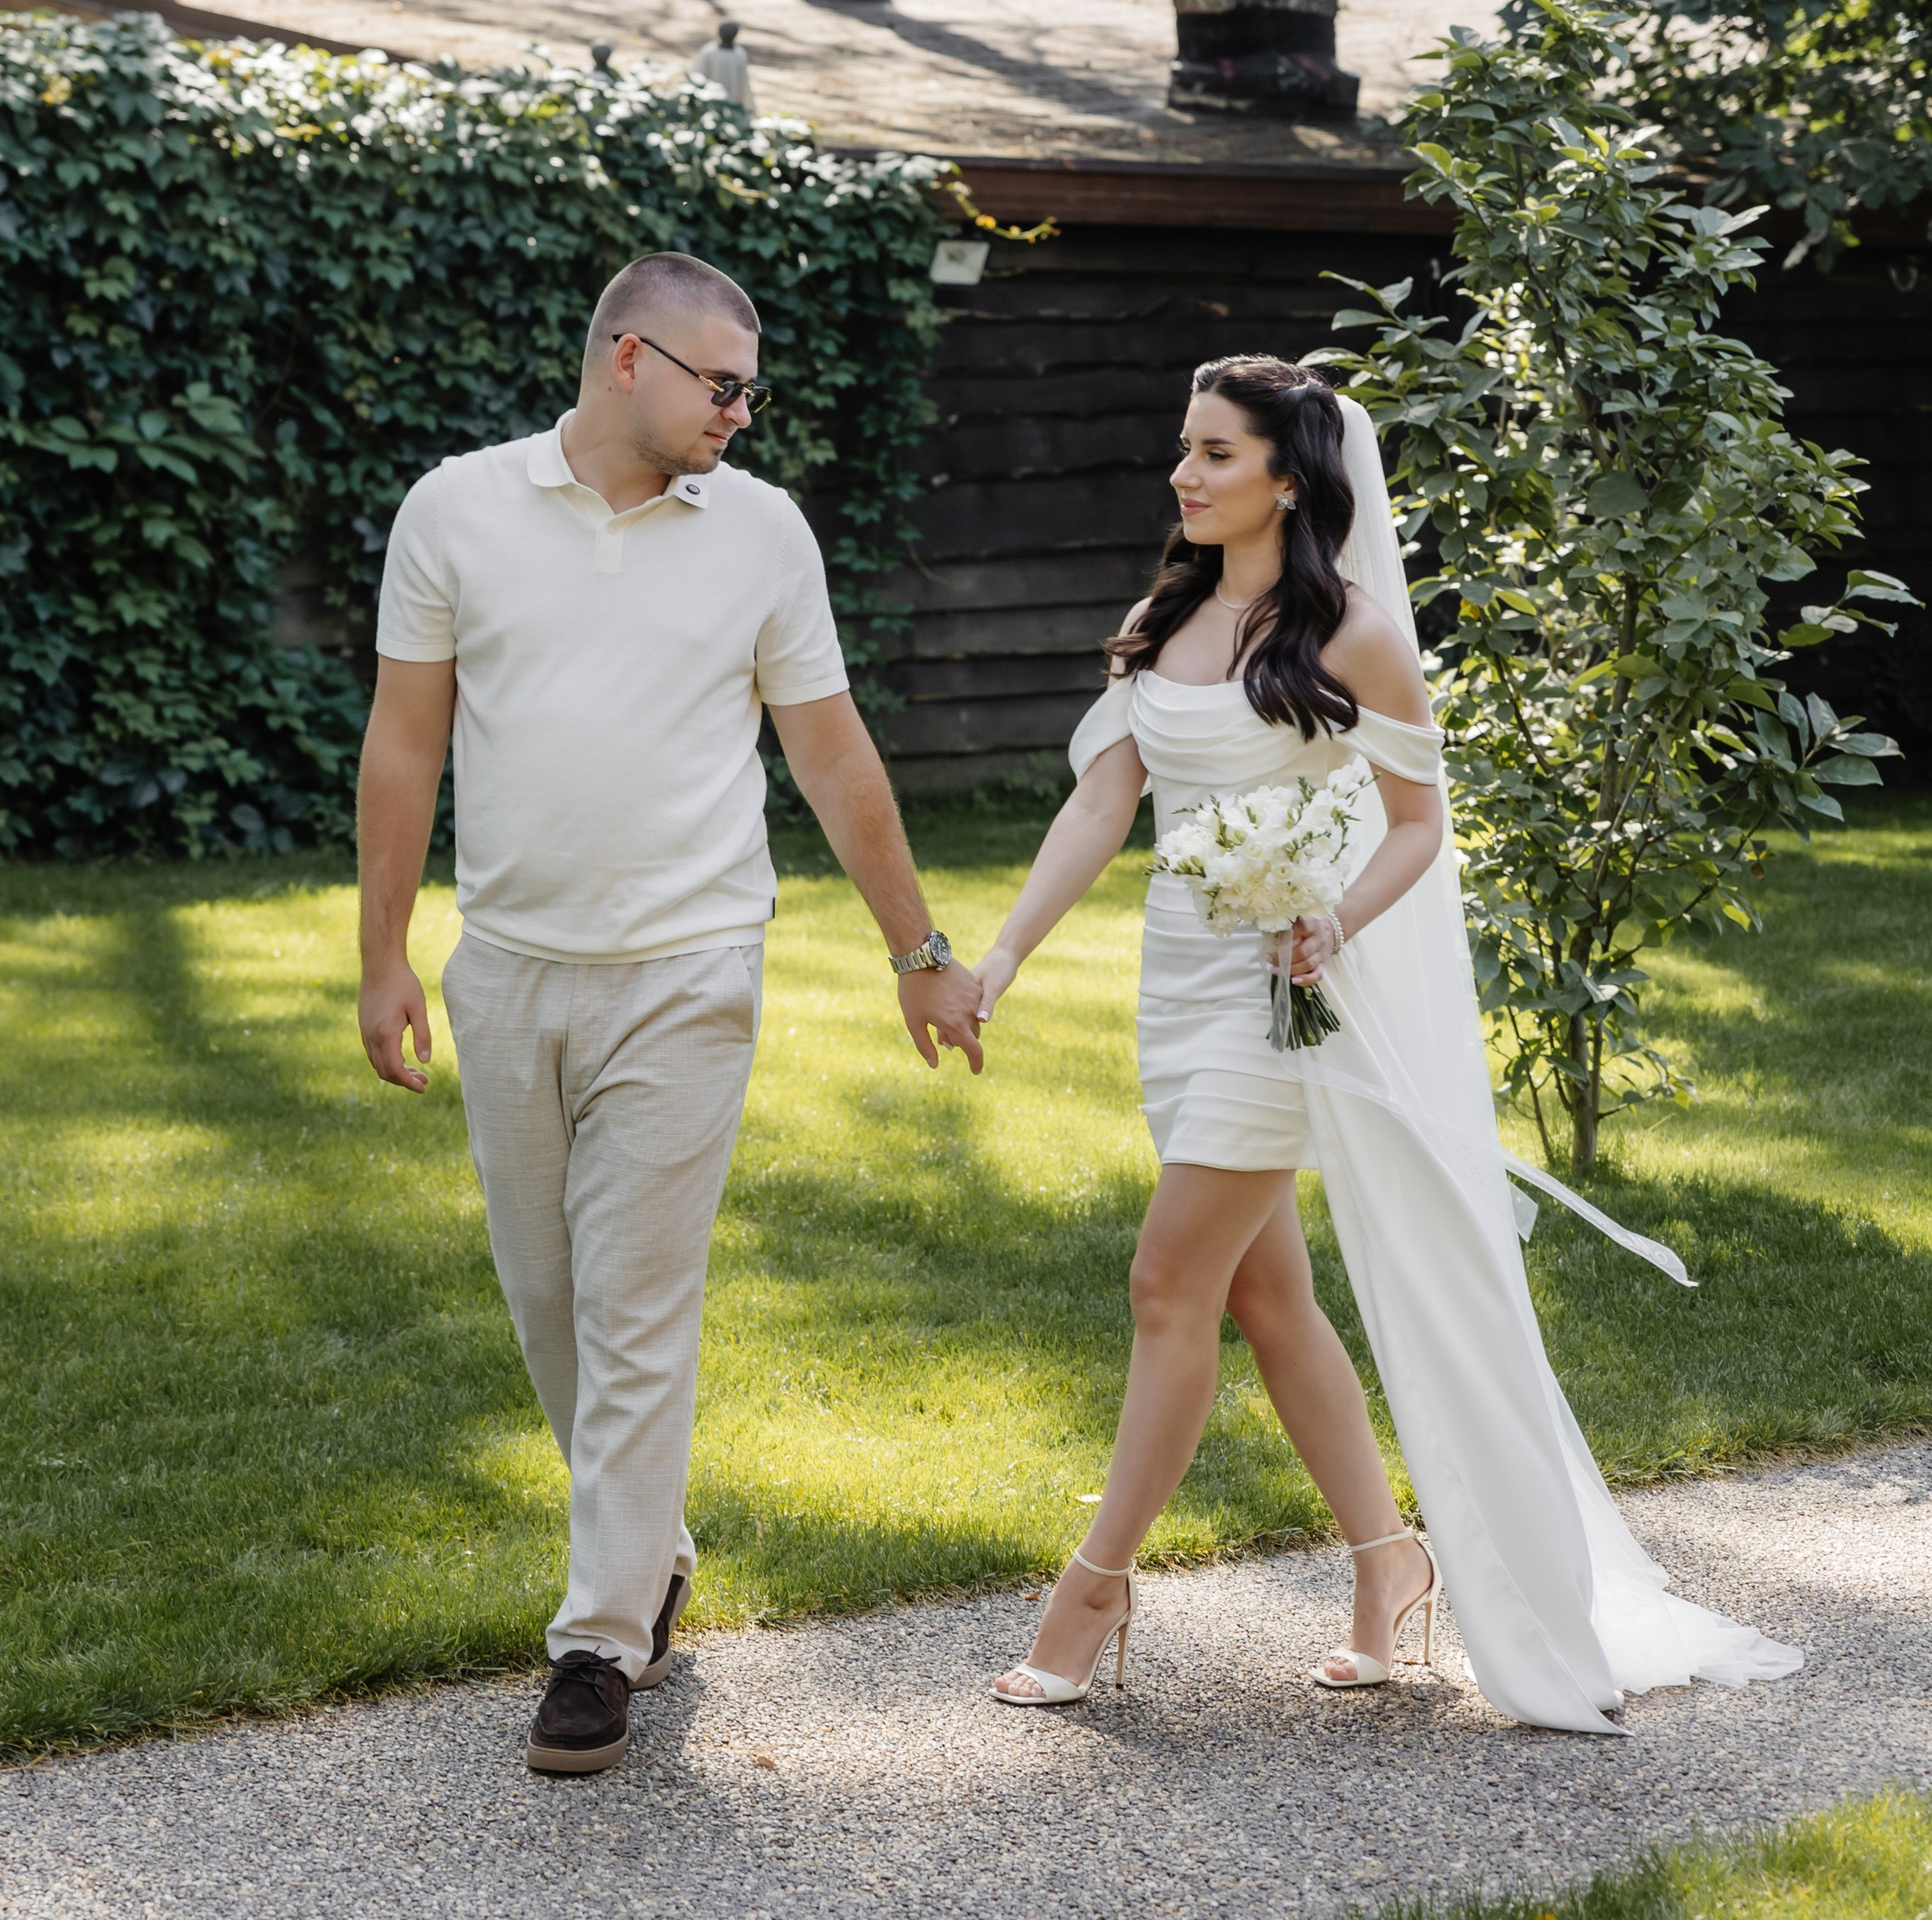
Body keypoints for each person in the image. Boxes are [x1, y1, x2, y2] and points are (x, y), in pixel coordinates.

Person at [973, 355, 1802, 1728]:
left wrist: (1334, 919)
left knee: (1165, 1286)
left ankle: (1095, 1587)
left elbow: (1419, 825)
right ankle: (1389, 1563)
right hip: (1177, 994)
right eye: (1184, 447)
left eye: (1216, 453)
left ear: (1289, 479)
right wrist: (1002, 957)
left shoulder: (1352, 635)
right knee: (1264, 1298)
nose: (1184, 473)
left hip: (1283, 1004)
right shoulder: (1162, 619)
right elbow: (1102, 805)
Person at [356, 251, 983, 1774]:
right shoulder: (456, 509)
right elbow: (403, 742)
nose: (741, 414)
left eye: (751, 391)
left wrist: (916, 947)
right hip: (509, 968)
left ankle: (596, 1641)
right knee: (549, 1301)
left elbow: (830, 752)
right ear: (628, 358)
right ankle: (652, 1552)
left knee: (635, 1303)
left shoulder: (762, 533)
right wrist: (383, 956)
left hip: (691, 971)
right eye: (722, 385)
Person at [692, 17, 755, 112]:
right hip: (708, 102)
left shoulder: (739, 54)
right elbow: (698, 77)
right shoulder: (709, 52)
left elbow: (743, 82)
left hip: (731, 104)